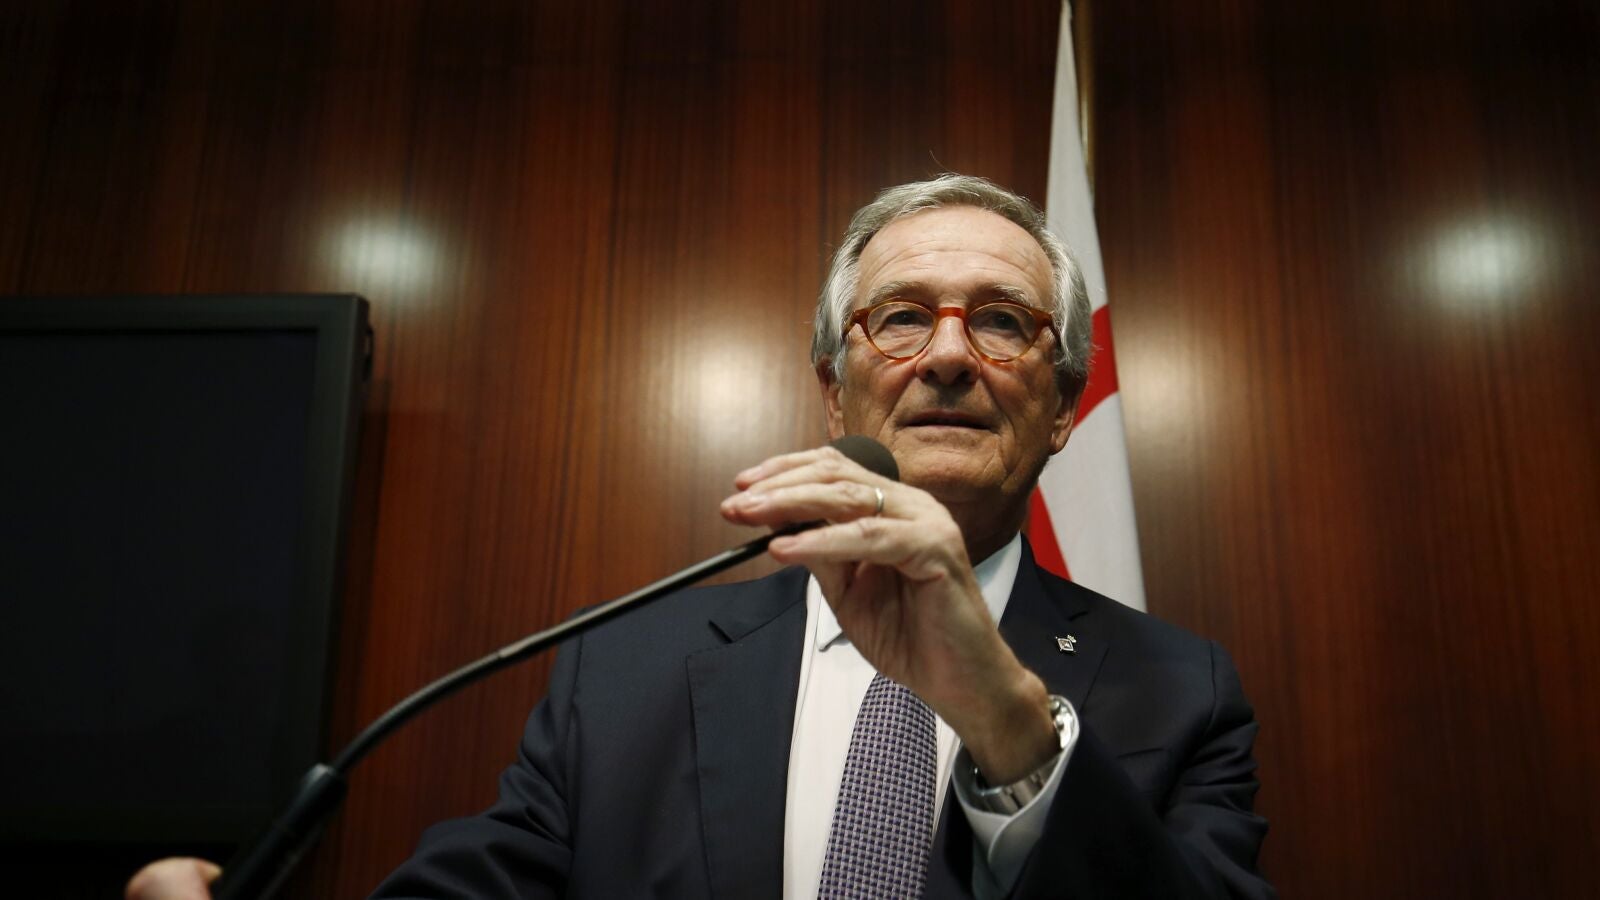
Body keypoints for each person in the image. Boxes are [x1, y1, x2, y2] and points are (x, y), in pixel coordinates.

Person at [129, 175, 1272, 899]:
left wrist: (1013, 729)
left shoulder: (1183, 691)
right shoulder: (623, 671)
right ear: (833, 390)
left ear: (1065, 407)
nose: (946, 355)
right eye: (900, 317)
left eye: (1004, 322)